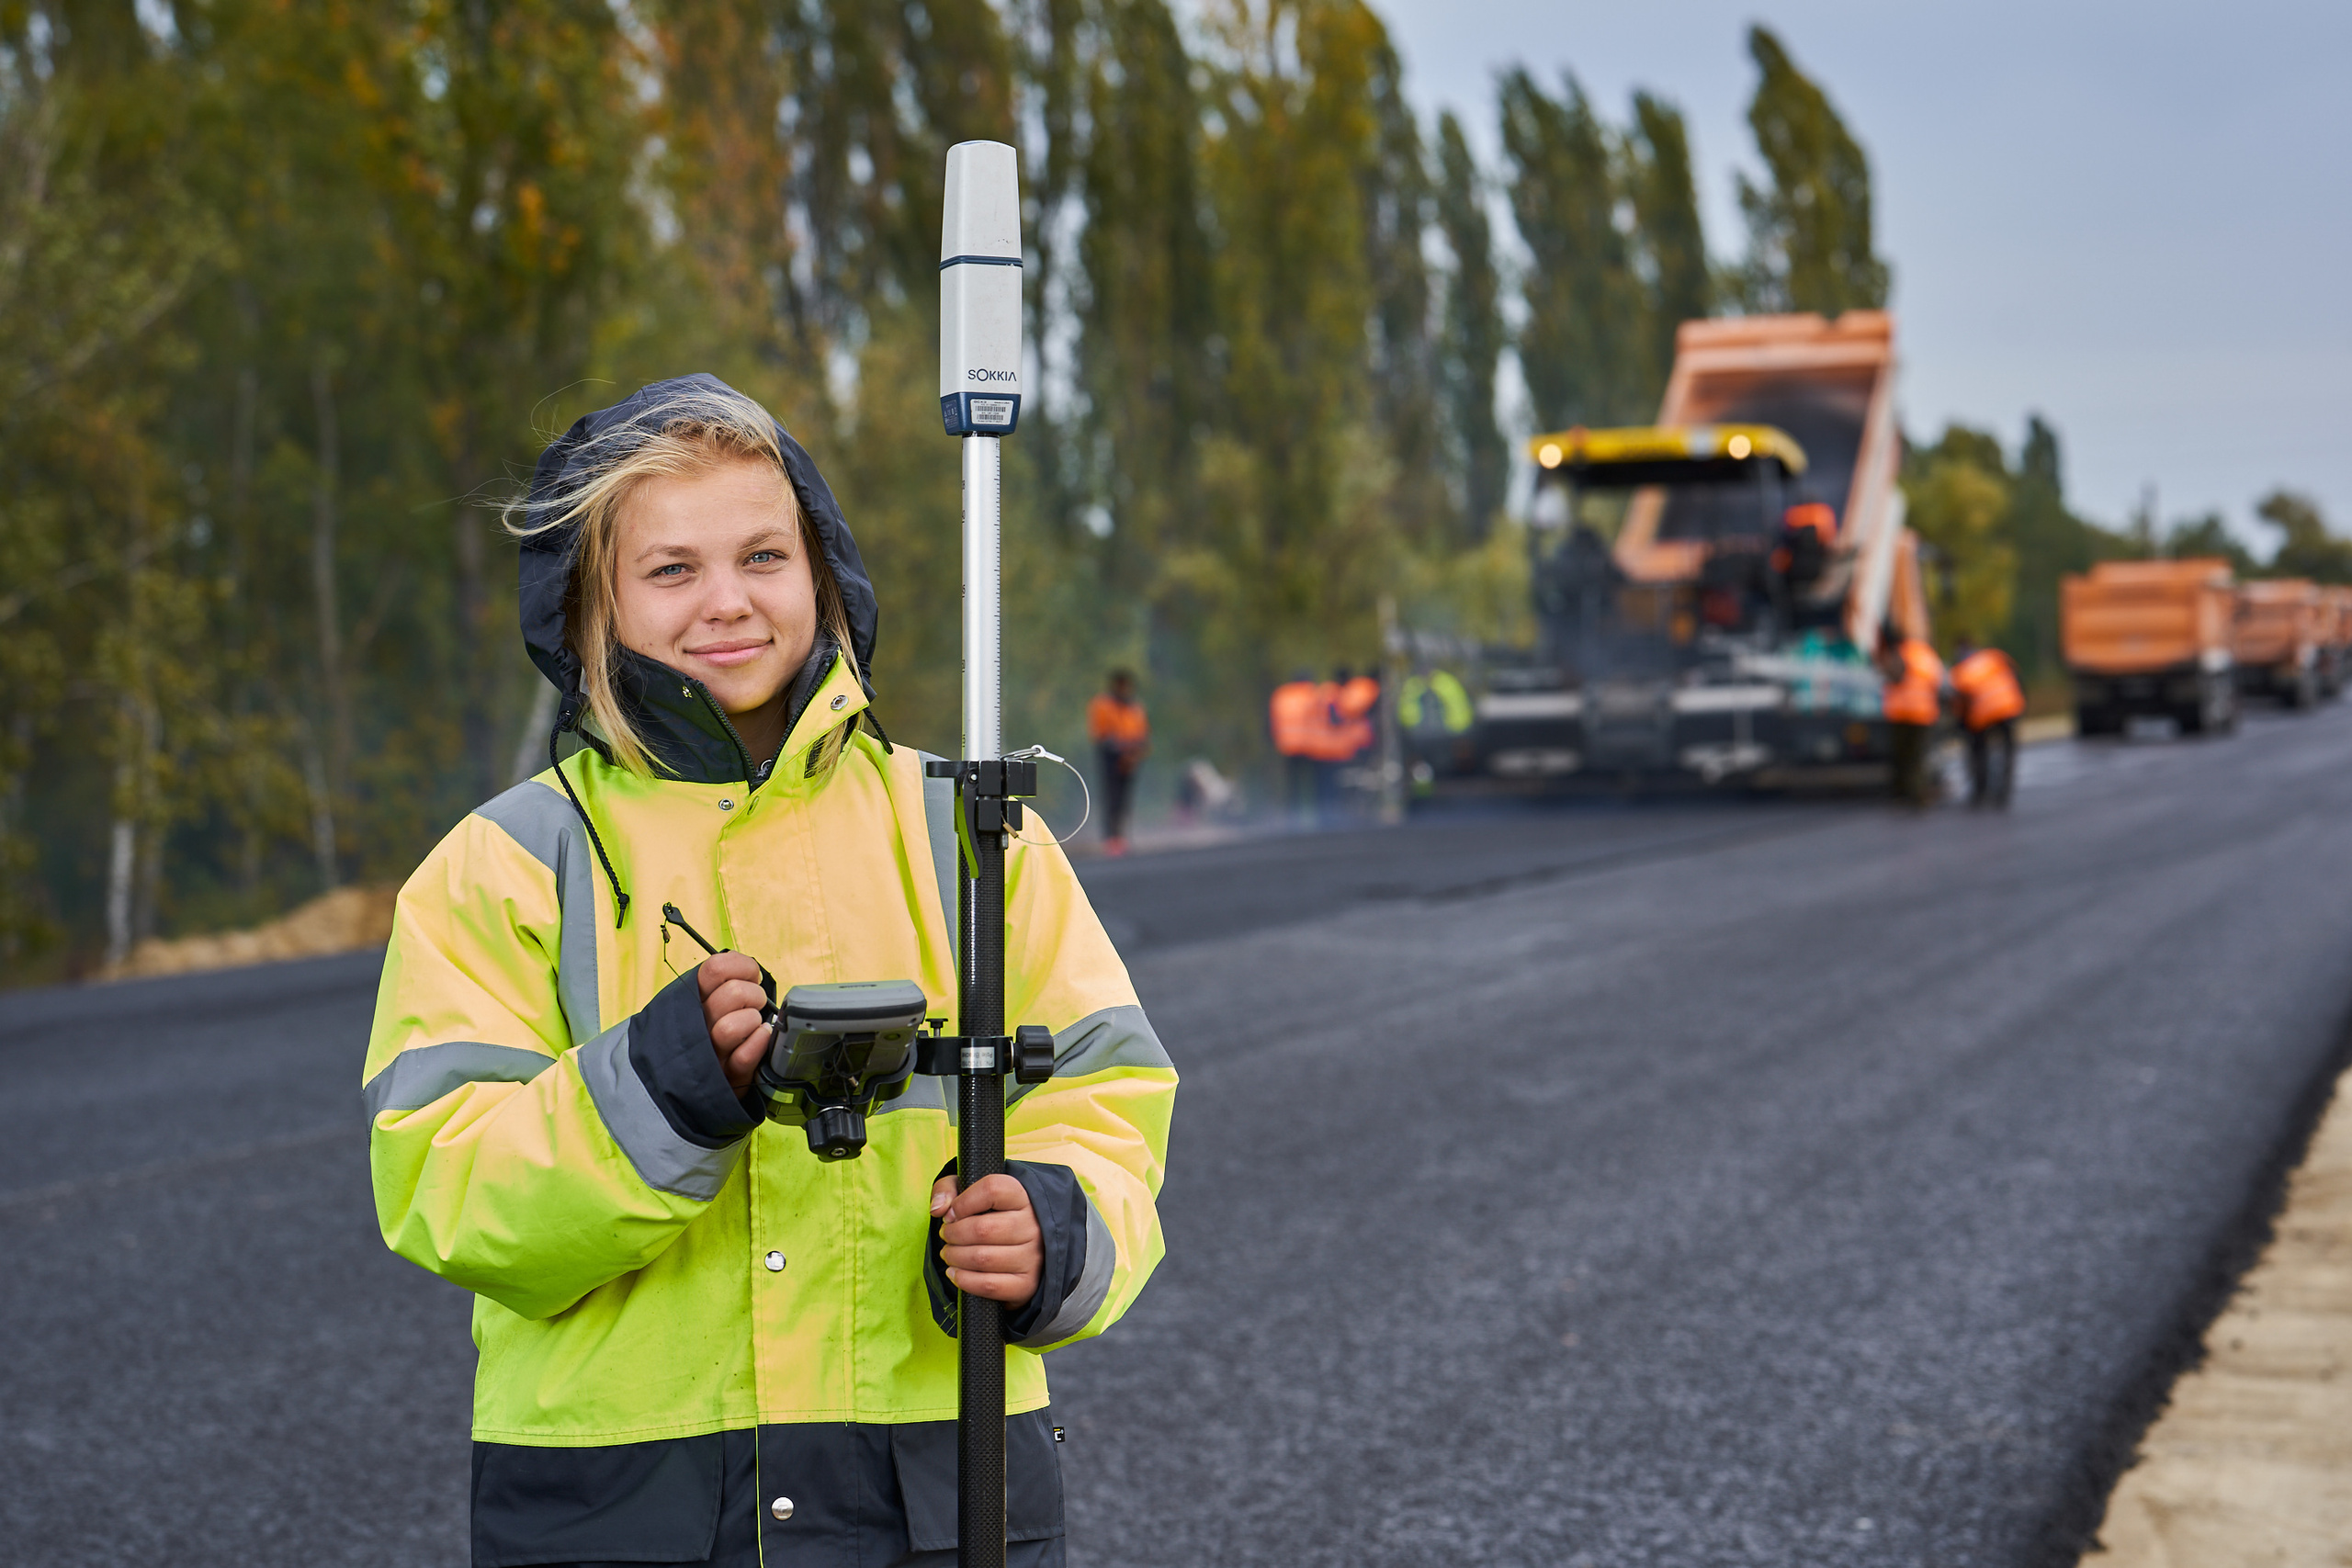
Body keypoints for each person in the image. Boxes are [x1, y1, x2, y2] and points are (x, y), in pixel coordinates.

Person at [362, 375, 1175, 1568]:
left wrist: (1057, 1228)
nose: (728, 601)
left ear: (824, 573)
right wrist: (654, 1091)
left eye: (763, 554)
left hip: (936, 1484)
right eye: (672, 568)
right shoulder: (502, 866)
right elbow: (445, 1183)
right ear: (594, 600)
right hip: (625, 1500)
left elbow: (1109, 1094)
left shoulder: (973, 830)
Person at [1950, 639, 2025, 808]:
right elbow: (2015, 675)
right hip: (2008, 707)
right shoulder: (1993, 656)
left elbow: (1962, 704)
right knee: (2008, 750)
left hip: (1983, 715)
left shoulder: (1960, 672)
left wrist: (1962, 725)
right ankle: (2003, 791)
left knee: (1978, 751)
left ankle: (1980, 792)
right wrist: (2022, 704)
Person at [1878, 622, 1946, 807]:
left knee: (1902, 757)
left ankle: (1904, 796)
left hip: (1900, 712)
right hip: (1924, 713)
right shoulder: (1925, 653)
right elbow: (1938, 679)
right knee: (1917, 757)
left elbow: (1890, 675)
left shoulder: (1900, 652)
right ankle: (1918, 796)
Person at [1085, 668, 1149, 855]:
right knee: (1111, 797)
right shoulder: (1103, 705)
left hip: (1131, 759)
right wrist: (1121, 749)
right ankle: (1110, 838)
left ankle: (1122, 836)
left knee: (1125, 798)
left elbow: (1143, 735)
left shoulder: (1135, 708)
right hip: (1110, 758)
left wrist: (1134, 753)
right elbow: (1100, 735)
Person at [1269, 671, 1327, 826]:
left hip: (1287, 746)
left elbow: (1272, 720)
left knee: (1292, 785)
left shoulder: (1281, 694)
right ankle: (1321, 817)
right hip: (1311, 745)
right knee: (1315, 784)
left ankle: (1291, 818)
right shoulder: (1314, 693)